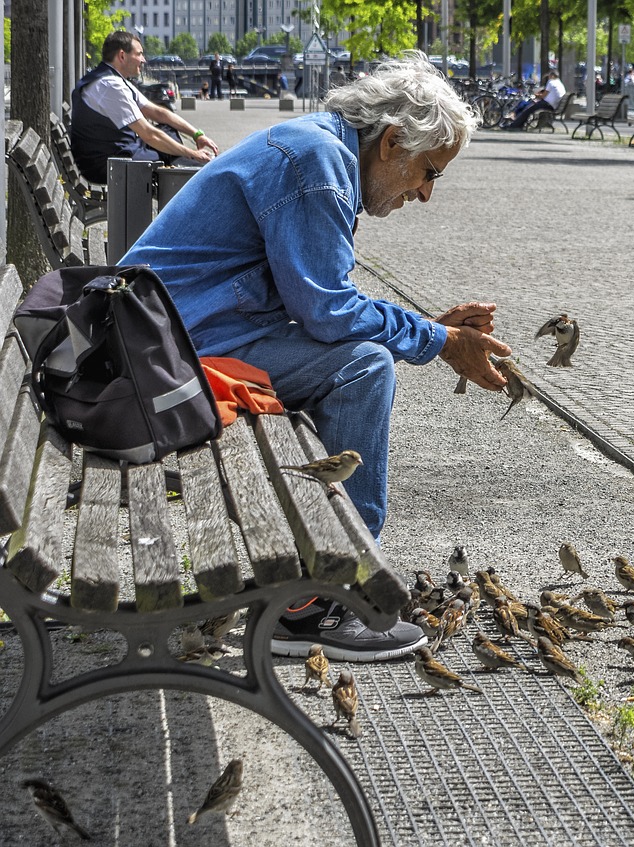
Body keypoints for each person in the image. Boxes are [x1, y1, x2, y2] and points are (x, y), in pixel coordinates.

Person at [120, 53, 512, 663]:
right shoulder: (318, 165)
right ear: (390, 143)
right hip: (168, 360)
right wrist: (440, 343)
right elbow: (328, 311)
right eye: (429, 170)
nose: (427, 193)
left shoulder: (316, 147)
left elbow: (318, 306)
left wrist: (426, 329)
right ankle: (323, 597)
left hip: (165, 342)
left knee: (362, 355)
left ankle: (315, 573)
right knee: (364, 366)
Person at [70, 31, 219, 184]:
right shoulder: (109, 86)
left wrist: (197, 135)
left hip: (117, 155)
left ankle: (190, 174)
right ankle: (193, 178)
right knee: (175, 157)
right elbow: (148, 134)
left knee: (169, 134)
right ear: (122, 56)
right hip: (108, 165)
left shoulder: (114, 79)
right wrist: (192, 153)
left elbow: (159, 113)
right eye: (139, 54)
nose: (144, 60)